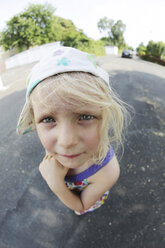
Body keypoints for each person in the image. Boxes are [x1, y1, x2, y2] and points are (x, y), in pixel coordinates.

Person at [17, 47, 128, 215]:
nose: (66, 141)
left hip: (89, 199)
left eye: (85, 116)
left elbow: (81, 205)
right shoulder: (58, 144)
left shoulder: (107, 171)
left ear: (104, 116)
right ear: (34, 121)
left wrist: (56, 184)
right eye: (48, 119)